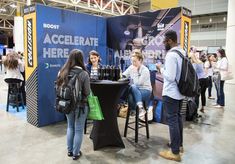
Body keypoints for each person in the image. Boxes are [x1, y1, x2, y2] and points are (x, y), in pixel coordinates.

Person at [57, 49, 90, 160]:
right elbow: (87, 92)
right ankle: (76, 153)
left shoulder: (62, 71)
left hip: (66, 104)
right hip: (80, 105)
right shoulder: (84, 74)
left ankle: (70, 151)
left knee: (70, 126)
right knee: (79, 129)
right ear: (81, 59)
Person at [156, 30, 185, 162]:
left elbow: (170, 76)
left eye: (165, 41)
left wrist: (160, 68)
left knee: (172, 121)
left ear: (170, 40)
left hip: (171, 92)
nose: (164, 44)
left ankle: (174, 152)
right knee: (178, 118)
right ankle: (178, 145)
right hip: (180, 92)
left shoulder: (171, 55)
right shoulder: (182, 52)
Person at [122, 49, 152, 117]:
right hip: (136, 90)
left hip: (146, 91)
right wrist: (121, 76)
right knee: (130, 93)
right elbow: (124, 75)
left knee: (132, 87)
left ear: (140, 60)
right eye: (132, 61)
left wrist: (135, 72)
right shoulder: (131, 67)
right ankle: (138, 109)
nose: (133, 63)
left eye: (135, 61)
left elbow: (138, 83)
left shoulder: (145, 70)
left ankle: (136, 109)